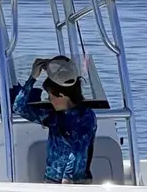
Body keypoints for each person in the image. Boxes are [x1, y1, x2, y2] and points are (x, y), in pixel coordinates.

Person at [13, 55, 98, 184]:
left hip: (74, 184)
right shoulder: (53, 116)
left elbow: (78, 151)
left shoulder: (85, 117)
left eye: (50, 95)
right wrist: (32, 78)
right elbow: (19, 107)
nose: (48, 99)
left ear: (62, 96)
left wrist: (66, 182)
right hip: (52, 181)